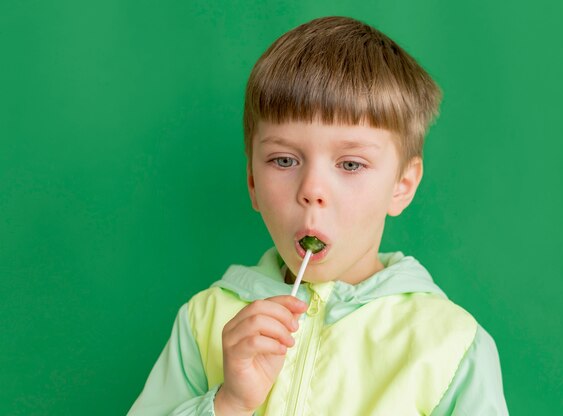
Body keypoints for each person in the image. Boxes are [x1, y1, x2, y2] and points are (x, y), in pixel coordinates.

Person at [128, 16, 508, 415]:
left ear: (402, 185)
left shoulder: (450, 343)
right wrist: (230, 404)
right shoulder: (204, 319)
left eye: (350, 164)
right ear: (253, 182)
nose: (311, 189)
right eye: (285, 159)